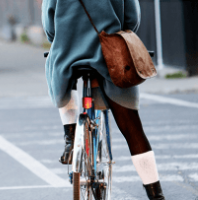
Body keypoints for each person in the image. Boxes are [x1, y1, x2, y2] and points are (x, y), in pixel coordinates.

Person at [41, 0, 165, 199]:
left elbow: (49, 25)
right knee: (132, 129)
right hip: (107, 53)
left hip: (67, 52)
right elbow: (132, 18)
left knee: (60, 75)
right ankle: (156, 194)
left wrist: (64, 36)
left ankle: (70, 139)